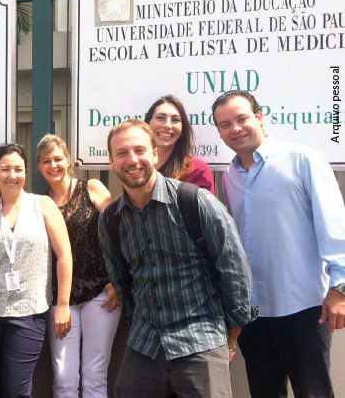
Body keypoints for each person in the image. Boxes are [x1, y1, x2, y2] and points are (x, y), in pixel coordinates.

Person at [98, 120, 253, 398]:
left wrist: (230, 332)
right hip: (145, 343)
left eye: (140, 150)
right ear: (111, 161)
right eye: (122, 153)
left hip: (200, 338)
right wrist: (141, 322)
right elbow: (121, 281)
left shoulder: (194, 202)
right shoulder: (111, 219)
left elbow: (234, 269)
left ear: (155, 154)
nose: (132, 160)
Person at [213, 90, 345, 397]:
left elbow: (335, 227)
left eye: (242, 118)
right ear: (219, 131)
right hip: (254, 312)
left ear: (259, 117)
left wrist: (340, 287)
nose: (235, 128)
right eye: (225, 124)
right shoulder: (229, 177)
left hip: (303, 307)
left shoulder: (303, 160)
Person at [0, 144, 73, 398]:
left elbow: (64, 255)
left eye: (18, 169)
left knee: (15, 391)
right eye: (5, 169)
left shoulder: (43, 206)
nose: (12, 175)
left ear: (26, 172)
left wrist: (63, 304)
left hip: (29, 313)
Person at [36, 134, 120, 398]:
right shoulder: (40, 203)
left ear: (68, 160)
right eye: (46, 161)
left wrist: (119, 280)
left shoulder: (92, 188)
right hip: (61, 299)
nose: (53, 165)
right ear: (38, 167)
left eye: (58, 159)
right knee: (63, 376)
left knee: (95, 374)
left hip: (101, 294)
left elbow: (118, 234)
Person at [144, 95, 214, 193]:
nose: (168, 125)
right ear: (147, 124)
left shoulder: (197, 169)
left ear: (182, 130)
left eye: (175, 120)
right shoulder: (138, 166)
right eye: (160, 118)